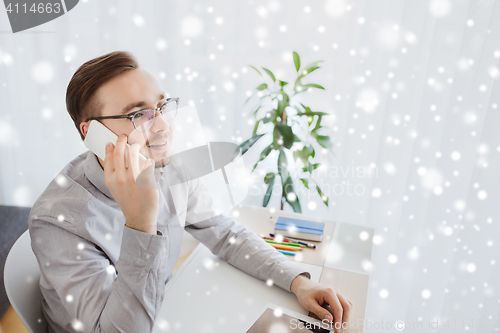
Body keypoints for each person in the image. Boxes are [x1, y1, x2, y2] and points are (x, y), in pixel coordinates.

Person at [29, 50, 352, 333]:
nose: (162, 126)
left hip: (163, 308)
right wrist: (140, 223)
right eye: (138, 114)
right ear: (92, 133)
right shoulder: (58, 220)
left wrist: (299, 281)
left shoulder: (166, 165)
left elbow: (225, 234)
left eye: (162, 106)